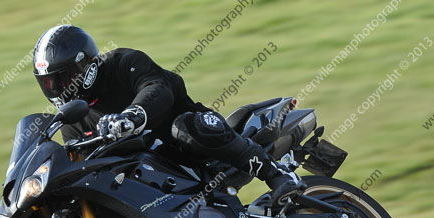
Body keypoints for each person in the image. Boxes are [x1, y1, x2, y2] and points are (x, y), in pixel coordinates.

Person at [32, 24, 305, 204]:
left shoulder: (123, 63)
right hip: (152, 174)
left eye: (63, 78)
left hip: (193, 142)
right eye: (49, 82)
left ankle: (278, 175)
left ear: (86, 65)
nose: (57, 88)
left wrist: (133, 116)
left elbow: (157, 88)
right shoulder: (73, 119)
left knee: (188, 127)